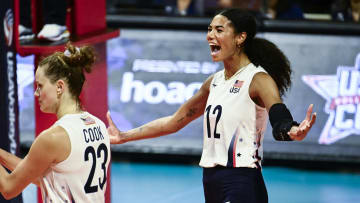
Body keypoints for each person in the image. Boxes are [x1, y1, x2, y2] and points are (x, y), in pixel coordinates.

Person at [107, 8, 316, 203]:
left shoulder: (258, 79)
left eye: (219, 30)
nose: (210, 36)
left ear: (240, 37)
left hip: (242, 178)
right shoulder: (214, 82)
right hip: (211, 180)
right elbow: (173, 122)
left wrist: (291, 129)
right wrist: (124, 136)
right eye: (209, 30)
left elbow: (277, 112)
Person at [0, 43, 110, 202]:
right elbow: (42, 177)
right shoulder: (98, 125)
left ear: (59, 87)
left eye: (40, 86)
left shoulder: (53, 138)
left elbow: (8, 188)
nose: (36, 93)